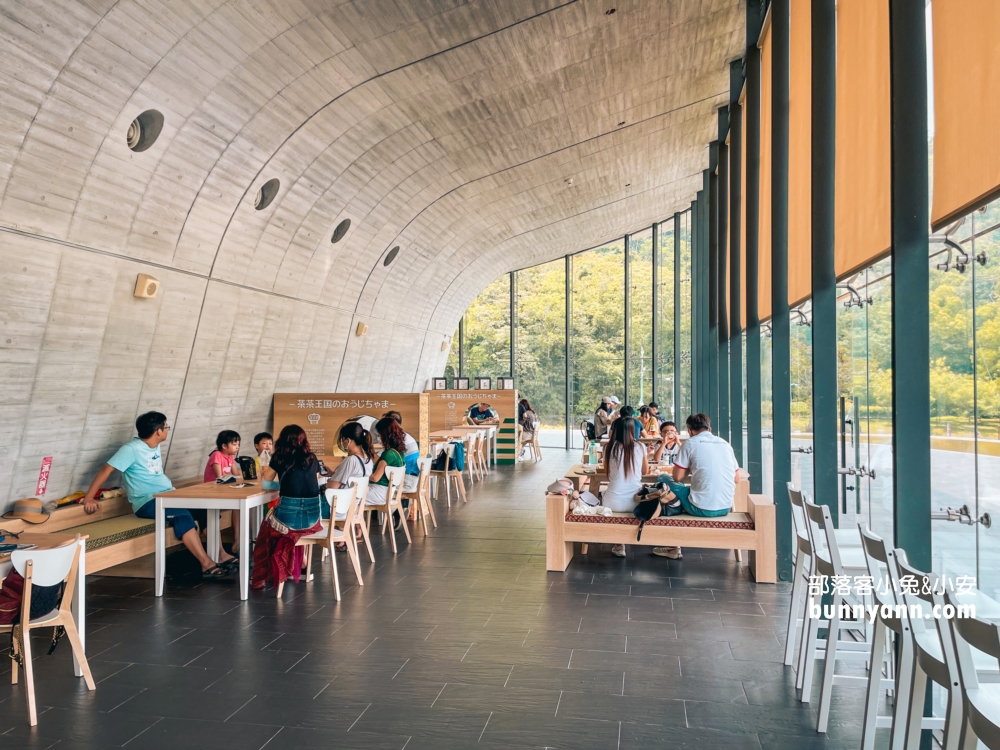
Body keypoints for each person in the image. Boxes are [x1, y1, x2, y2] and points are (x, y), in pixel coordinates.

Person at [81, 411, 235, 579]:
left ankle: (220, 554)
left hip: (169, 495)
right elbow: (107, 469)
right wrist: (89, 497)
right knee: (182, 515)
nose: (167, 430)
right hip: (147, 502)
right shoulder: (130, 449)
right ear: (158, 431)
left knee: (206, 509)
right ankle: (206, 563)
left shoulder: (154, 445)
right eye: (166, 427)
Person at [652, 413, 740, 560]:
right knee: (683, 493)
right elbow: (736, 478)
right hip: (725, 506)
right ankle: (673, 544)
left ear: (690, 430)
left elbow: (677, 477)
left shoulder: (690, 443)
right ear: (709, 429)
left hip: (700, 508)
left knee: (663, 478)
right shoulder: (725, 444)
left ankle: (672, 543)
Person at [252, 424, 325, 590]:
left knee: (267, 528)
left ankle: (263, 575)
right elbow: (314, 479)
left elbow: (266, 482)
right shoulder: (312, 458)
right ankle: (300, 564)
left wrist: (283, 484)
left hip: (288, 518)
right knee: (297, 529)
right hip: (313, 519)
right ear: (303, 439)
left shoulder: (279, 457)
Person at [600, 416, 649, 558]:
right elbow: (645, 472)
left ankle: (619, 544)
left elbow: (607, 473)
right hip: (636, 503)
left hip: (611, 502)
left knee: (601, 492)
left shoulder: (608, 447)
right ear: (633, 430)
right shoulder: (640, 446)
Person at [328, 422, 376, 526]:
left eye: (343, 439)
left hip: (339, 509)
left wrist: (328, 481)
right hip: (351, 508)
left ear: (348, 441)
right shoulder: (368, 460)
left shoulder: (351, 460)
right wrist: (333, 474)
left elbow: (331, 487)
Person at [205, 430, 245, 553]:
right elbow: (219, 477)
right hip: (212, 492)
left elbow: (236, 474)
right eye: (234, 444)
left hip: (224, 491)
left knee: (240, 506)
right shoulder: (216, 455)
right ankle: (237, 541)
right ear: (224, 446)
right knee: (238, 506)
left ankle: (238, 540)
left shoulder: (230, 457)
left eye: (238, 444)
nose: (237, 447)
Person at [369, 417, 408, 529]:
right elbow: (381, 463)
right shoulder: (398, 452)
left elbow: (375, 478)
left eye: (379, 434)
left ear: (385, 434)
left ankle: (353, 529)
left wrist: (361, 475)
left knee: (352, 495)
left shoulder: (388, 453)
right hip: (389, 492)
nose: (378, 437)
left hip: (379, 492)